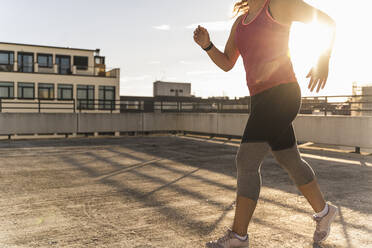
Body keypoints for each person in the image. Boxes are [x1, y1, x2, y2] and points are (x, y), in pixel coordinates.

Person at [193, 0, 337, 247]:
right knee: (289, 159)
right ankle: (324, 213)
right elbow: (228, 62)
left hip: (283, 93)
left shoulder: (279, 6)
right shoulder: (241, 23)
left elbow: (327, 22)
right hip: (259, 100)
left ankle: (239, 236)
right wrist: (207, 45)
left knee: (246, 160)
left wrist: (323, 60)